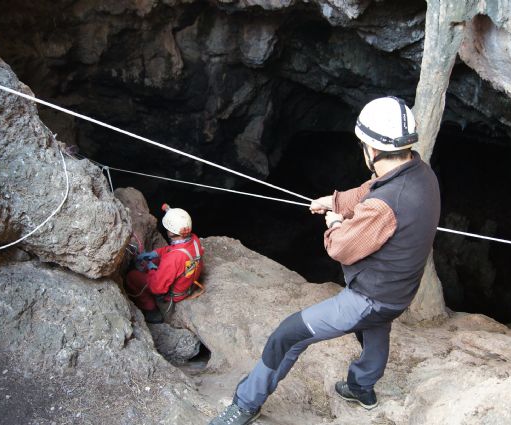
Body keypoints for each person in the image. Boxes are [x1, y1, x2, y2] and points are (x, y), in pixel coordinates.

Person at [209, 96, 440, 424]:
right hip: (398, 292)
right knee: (375, 330)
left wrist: (333, 222)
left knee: (288, 335)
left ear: (371, 150)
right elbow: (370, 190)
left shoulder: (385, 205)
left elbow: (341, 247)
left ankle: (246, 404)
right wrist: (332, 201)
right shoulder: (420, 173)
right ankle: (362, 387)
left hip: (370, 296)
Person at [126, 204, 204, 324]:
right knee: (158, 261)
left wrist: (152, 270)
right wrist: (155, 254)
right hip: (188, 282)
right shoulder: (193, 239)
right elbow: (175, 249)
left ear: (171, 233)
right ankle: (154, 270)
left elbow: (157, 288)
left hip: (174, 294)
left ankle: (151, 310)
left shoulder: (173, 259)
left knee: (132, 277)